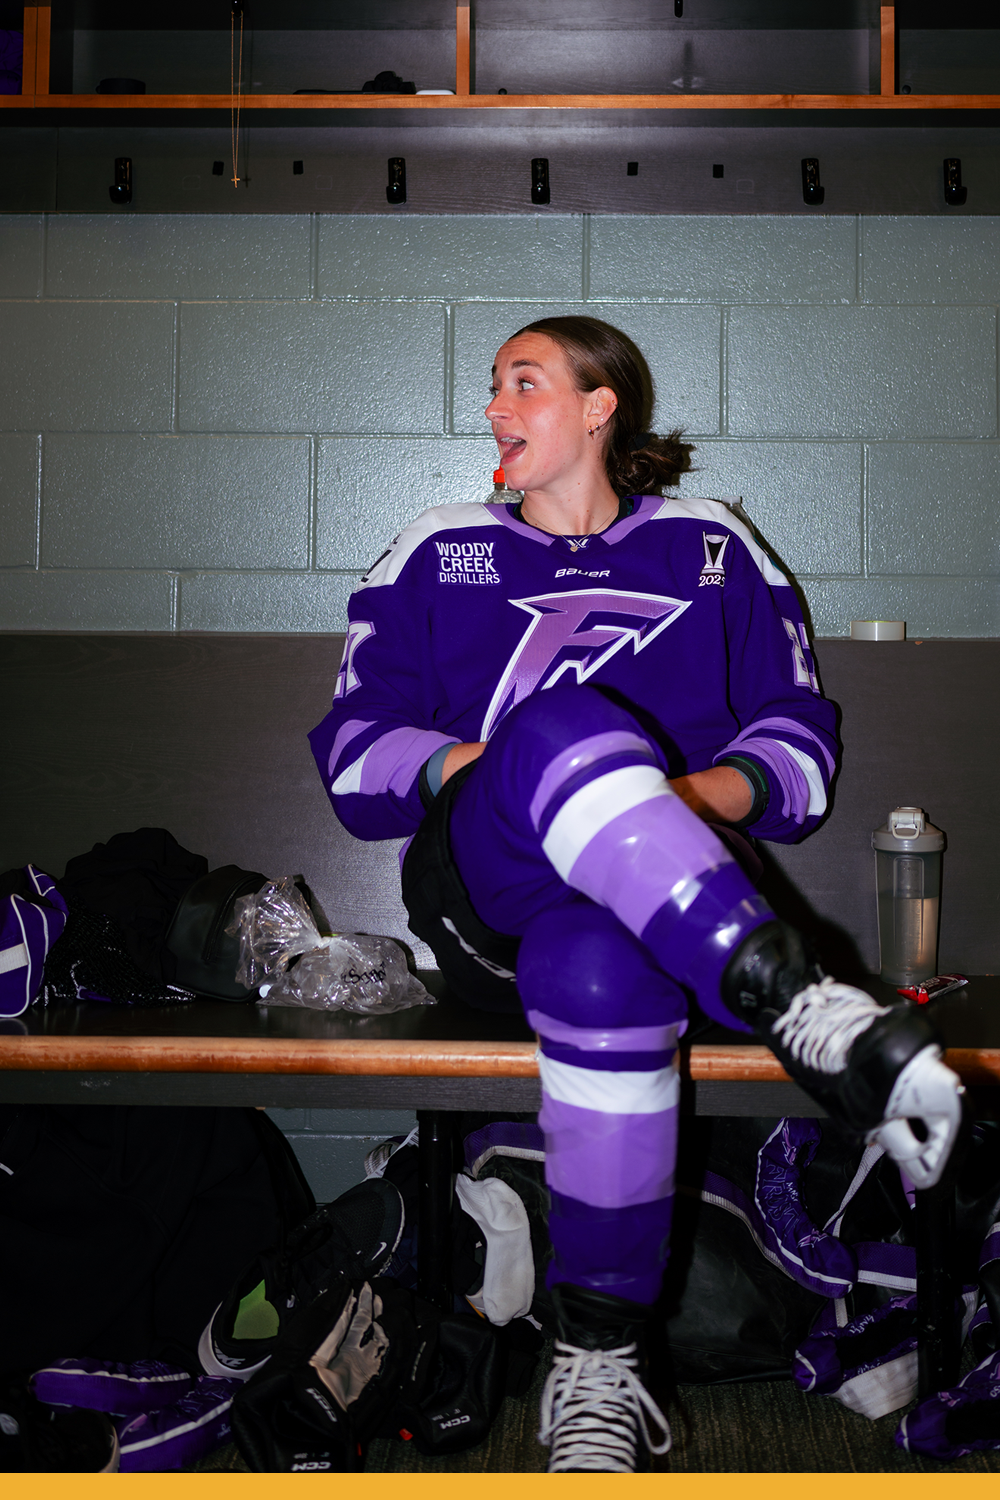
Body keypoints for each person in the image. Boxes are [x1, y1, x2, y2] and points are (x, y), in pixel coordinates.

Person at [309, 316, 963, 1472]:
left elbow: (798, 754)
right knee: (560, 731)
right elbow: (355, 759)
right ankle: (798, 998)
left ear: (600, 405)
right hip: (486, 895)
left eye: (522, 382)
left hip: (661, 927)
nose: (493, 407)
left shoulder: (710, 546)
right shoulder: (433, 547)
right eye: (492, 387)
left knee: (602, 965)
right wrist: (534, 773)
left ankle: (596, 1368)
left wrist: (650, 808)